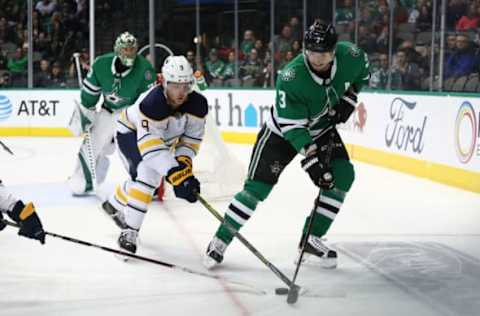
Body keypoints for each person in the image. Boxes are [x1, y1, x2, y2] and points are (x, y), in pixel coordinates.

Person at [203, 22, 370, 270]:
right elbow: (293, 128)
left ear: (334, 51)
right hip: (281, 134)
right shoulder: (291, 77)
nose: (316, 58)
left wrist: (350, 97)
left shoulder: (351, 55)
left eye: (322, 53)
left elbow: (362, 75)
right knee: (255, 190)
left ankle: (310, 241)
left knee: (343, 175)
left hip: (321, 128)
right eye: (311, 52)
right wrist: (313, 163)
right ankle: (220, 240)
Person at [101, 56, 208, 254]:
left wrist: (184, 166)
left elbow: (190, 140)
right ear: (164, 82)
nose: (181, 92)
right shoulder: (151, 103)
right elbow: (151, 149)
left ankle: (114, 202)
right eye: (175, 85)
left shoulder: (198, 104)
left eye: (185, 85)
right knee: (148, 176)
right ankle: (129, 231)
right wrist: (175, 172)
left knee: (143, 179)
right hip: (130, 134)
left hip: (159, 142)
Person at [68, 32, 156, 196]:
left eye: (132, 49)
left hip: (131, 114)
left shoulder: (145, 69)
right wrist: (87, 112)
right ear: (117, 50)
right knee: (92, 144)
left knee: (131, 150)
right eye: (125, 49)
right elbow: (90, 93)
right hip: (108, 113)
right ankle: (83, 180)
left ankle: (146, 183)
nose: (129, 53)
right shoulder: (101, 64)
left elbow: (149, 100)